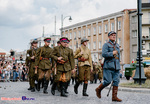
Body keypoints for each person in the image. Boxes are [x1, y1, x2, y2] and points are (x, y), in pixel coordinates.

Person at [95, 31, 122, 102]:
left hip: (116, 66)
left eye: (114, 35)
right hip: (108, 66)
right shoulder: (106, 45)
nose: (113, 36)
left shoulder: (117, 45)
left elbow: (119, 55)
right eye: (112, 35)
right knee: (107, 81)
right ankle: (98, 89)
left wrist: (119, 63)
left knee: (116, 81)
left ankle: (114, 97)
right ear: (109, 37)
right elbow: (103, 54)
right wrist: (111, 53)